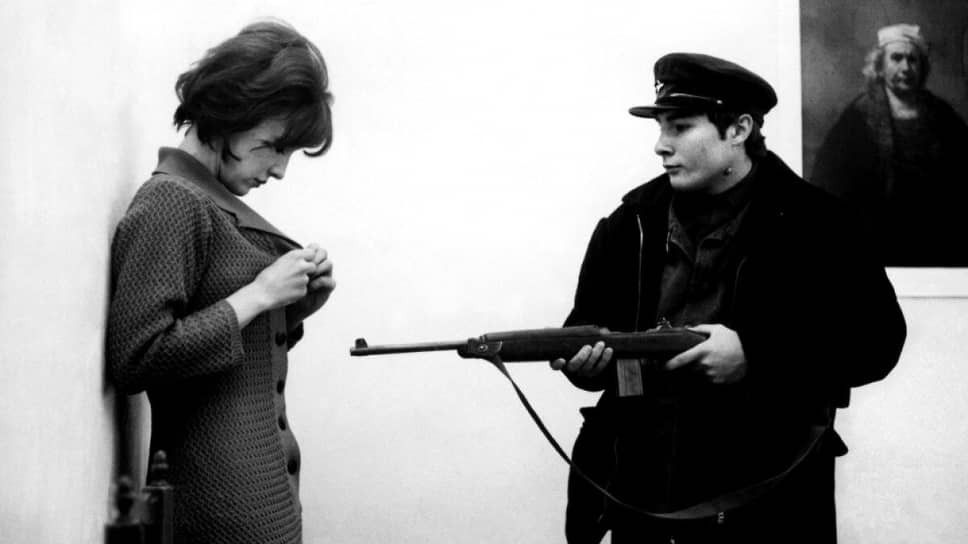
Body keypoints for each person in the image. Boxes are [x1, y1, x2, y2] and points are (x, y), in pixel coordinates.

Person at [551, 53, 906, 543]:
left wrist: (754, 356)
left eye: (680, 127)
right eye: (660, 128)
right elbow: (588, 334)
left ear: (739, 129)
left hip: (768, 510)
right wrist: (585, 366)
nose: (661, 145)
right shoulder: (629, 224)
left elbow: (877, 344)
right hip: (645, 505)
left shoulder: (820, 225)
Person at [107, 20, 335, 544]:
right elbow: (137, 357)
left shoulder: (210, 204)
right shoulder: (171, 201)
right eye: (273, 146)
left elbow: (228, 363)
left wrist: (293, 307)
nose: (279, 170)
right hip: (213, 517)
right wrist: (260, 294)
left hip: (262, 508)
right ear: (231, 113)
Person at [811, 24, 968, 266]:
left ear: (922, 68)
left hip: (935, 240)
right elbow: (829, 184)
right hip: (877, 240)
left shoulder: (942, 116)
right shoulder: (858, 117)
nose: (906, 68)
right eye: (896, 58)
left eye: (913, 60)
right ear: (880, 67)